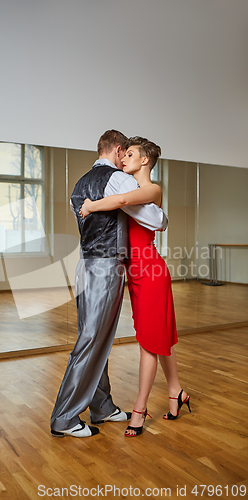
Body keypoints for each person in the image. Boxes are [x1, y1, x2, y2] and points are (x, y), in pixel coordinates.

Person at [50, 130, 168, 438]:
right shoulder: (118, 179)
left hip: (85, 265)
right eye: (124, 152)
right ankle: (64, 417)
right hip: (106, 268)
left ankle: (102, 407)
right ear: (117, 150)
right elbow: (156, 220)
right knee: (92, 340)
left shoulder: (80, 182)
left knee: (96, 338)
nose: (125, 158)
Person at [80, 136, 191, 437]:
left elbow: (122, 201)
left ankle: (139, 411)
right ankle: (176, 392)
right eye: (123, 153)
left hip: (150, 270)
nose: (124, 158)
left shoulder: (151, 189)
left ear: (145, 161)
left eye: (130, 154)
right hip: (135, 273)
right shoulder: (126, 185)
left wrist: (90, 206)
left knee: (148, 343)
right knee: (157, 336)